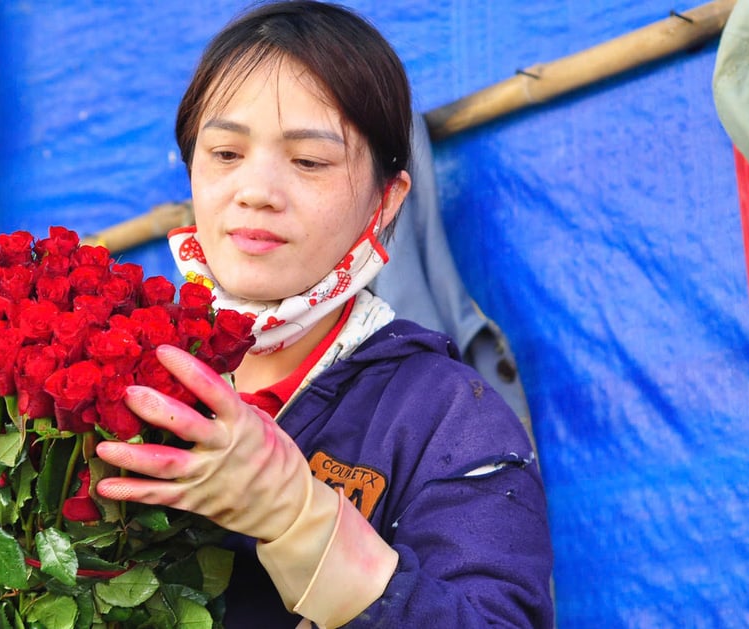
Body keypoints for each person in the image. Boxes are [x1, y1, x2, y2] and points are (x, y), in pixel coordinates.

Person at [91, 2, 554, 627]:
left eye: (309, 161)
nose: (256, 192)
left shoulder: (446, 414)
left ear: (386, 199)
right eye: (225, 153)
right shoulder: (107, 371)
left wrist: (300, 521)